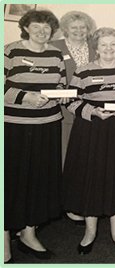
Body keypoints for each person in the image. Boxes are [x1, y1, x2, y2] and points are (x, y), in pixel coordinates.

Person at [62, 27, 115, 254]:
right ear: (96, 47)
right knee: (92, 178)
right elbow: (70, 101)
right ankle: (89, 232)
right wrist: (93, 111)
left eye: (112, 44)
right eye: (103, 45)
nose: (108, 49)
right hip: (91, 131)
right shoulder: (83, 70)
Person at [4, 9, 67, 261]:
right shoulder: (10, 51)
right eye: (37, 27)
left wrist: (60, 96)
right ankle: (5, 236)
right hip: (15, 126)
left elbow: (61, 85)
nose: (42, 32)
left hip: (48, 125)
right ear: (26, 28)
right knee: (12, 182)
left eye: (47, 28)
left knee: (39, 181)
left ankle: (28, 233)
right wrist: (25, 97)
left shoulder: (55, 54)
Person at [51, 10, 97, 225]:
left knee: (85, 158)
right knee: (65, 156)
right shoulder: (55, 48)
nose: (79, 31)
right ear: (65, 29)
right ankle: (64, 203)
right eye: (74, 27)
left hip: (89, 110)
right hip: (64, 111)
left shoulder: (94, 48)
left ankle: (80, 200)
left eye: (83, 27)